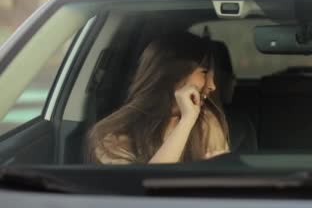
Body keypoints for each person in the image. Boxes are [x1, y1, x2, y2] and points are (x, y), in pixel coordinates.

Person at [87, 32, 230, 164]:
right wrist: (186, 123)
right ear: (173, 73)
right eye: (204, 72)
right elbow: (143, 187)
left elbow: (220, 180)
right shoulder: (114, 134)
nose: (212, 86)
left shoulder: (205, 121)